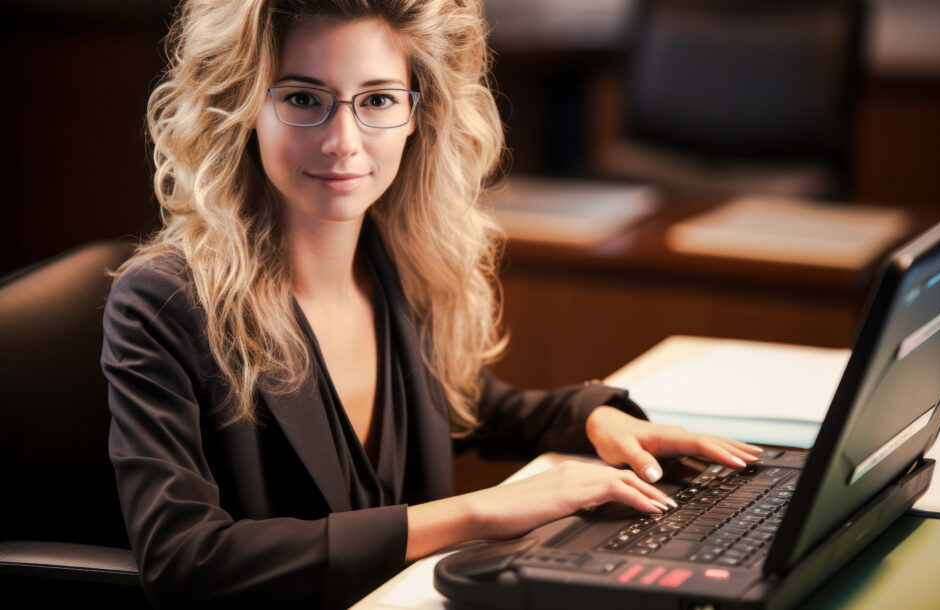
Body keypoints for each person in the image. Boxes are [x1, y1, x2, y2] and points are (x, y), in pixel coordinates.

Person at [101, 0, 762, 607]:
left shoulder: (392, 260)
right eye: (304, 98)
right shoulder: (163, 302)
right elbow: (185, 561)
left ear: (417, 113)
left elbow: (470, 404)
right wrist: (480, 513)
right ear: (243, 105)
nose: (345, 141)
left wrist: (594, 420)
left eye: (378, 99)